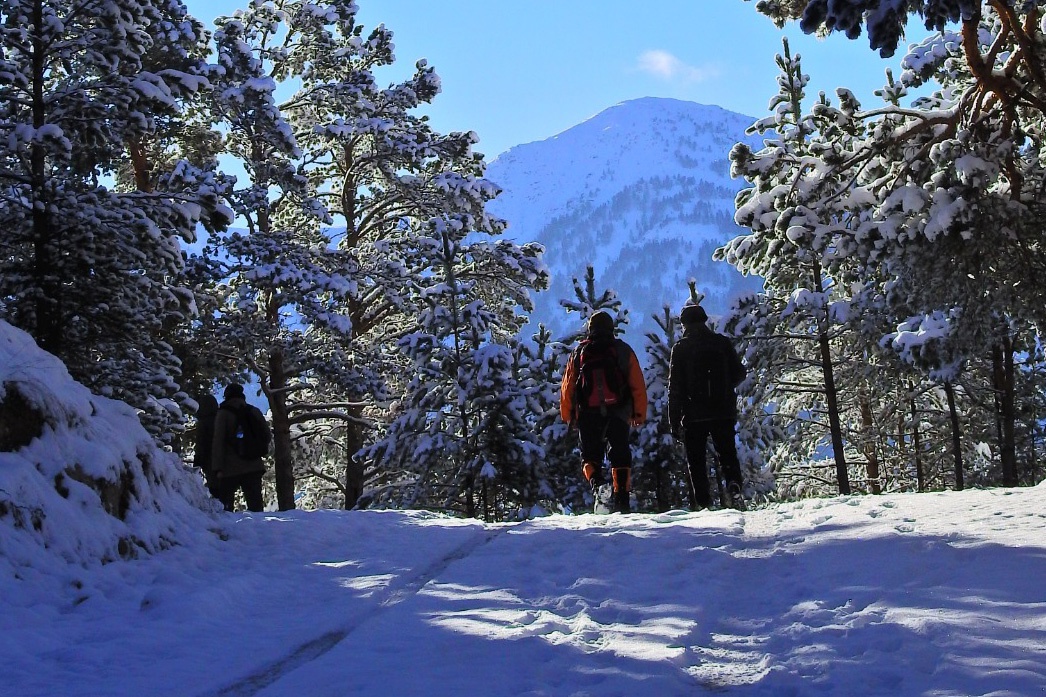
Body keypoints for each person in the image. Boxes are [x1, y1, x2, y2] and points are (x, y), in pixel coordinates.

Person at [560, 310, 648, 513]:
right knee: (620, 454)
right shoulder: (622, 349)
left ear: (590, 330)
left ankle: (598, 485)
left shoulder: (580, 352)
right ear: (612, 328)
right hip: (618, 411)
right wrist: (638, 413)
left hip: (587, 413)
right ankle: (622, 499)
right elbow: (637, 384)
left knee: (590, 456)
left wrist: (568, 414)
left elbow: (568, 386)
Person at [668, 304, 747, 510]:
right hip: (723, 411)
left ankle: (703, 503)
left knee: (696, 460)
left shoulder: (681, 348)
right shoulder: (722, 343)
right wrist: (725, 387)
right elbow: (740, 373)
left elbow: (674, 388)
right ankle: (734, 487)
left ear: (684, 324)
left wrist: (674, 421)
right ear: (704, 320)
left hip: (694, 414)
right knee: (727, 453)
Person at [211, 383, 269, 512]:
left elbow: (218, 442)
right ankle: (261, 530)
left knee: (225, 507)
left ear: (227, 396)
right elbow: (267, 436)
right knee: (256, 506)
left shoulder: (223, 414)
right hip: (254, 465)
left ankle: (230, 531)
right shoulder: (253, 411)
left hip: (230, 467)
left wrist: (217, 468)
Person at [193, 393, 220, 498]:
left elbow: (201, 443)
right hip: (226, 460)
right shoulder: (221, 418)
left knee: (214, 488)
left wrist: (198, 461)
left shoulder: (203, 423)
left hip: (209, 460)